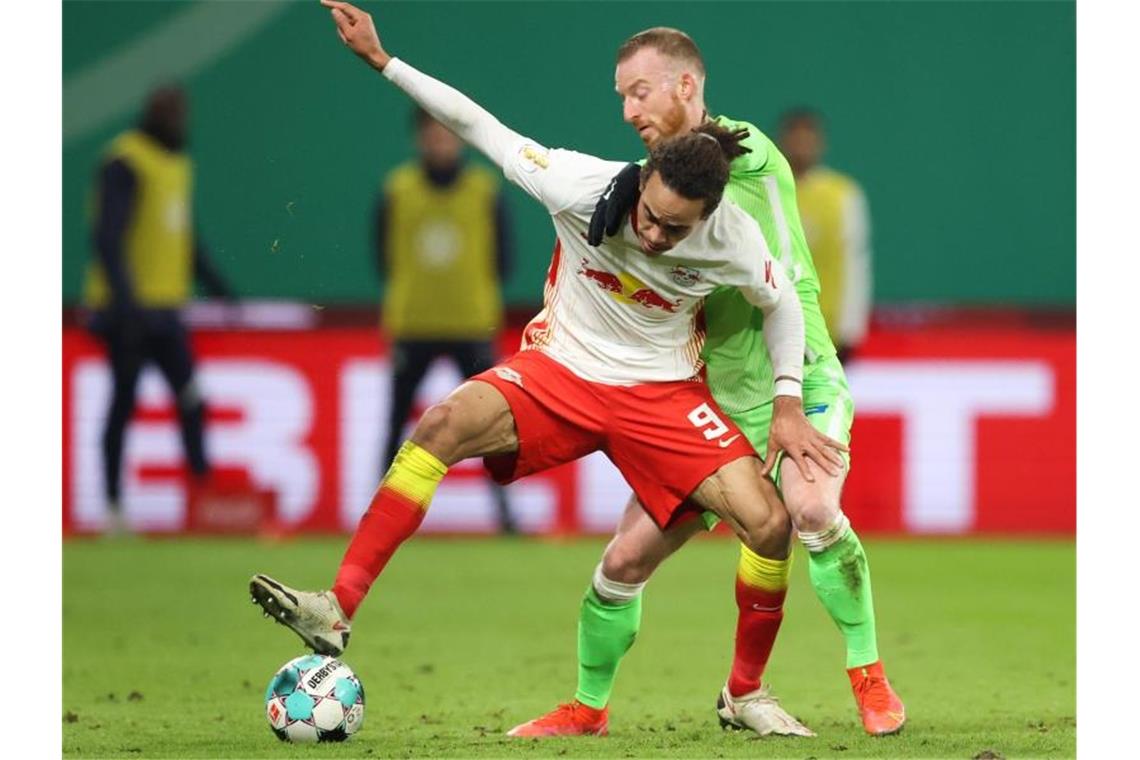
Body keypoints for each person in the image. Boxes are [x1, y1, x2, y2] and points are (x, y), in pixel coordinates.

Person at [249, 2, 846, 726]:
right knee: (440, 424)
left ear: (711, 214)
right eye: (650, 217)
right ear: (645, 178)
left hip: (662, 395)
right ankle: (337, 606)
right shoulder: (578, 184)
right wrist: (384, 61)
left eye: (675, 229)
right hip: (561, 372)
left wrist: (787, 401)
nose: (656, 236)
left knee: (770, 524)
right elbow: (479, 126)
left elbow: (781, 304)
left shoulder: (731, 236)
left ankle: (745, 694)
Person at [509, 29, 904, 738]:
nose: (630, 109)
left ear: (685, 87)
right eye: (622, 97)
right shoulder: (647, 188)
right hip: (709, 398)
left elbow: (751, 257)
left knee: (810, 512)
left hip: (797, 374)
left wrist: (636, 192)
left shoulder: (746, 152)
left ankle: (867, 678)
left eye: (640, 91)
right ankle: (587, 709)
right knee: (624, 559)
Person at [82, 84, 232, 534]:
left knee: (191, 400)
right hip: (126, 313)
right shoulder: (124, 160)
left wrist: (219, 288)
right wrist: (127, 306)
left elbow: (184, 239)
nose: (177, 122)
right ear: (152, 116)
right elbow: (107, 239)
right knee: (124, 403)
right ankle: (112, 508)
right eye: (170, 114)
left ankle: (203, 503)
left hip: (165, 311)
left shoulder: (176, 164)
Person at [376, 106, 517, 534]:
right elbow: (383, 255)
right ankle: (376, 517)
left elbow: (504, 258)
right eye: (432, 135)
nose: (441, 142)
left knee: (493, 426)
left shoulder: (484, 190)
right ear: (419, 138)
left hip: (471, 325)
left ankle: (506, 517)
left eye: (447, 134)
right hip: (413, 325)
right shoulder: (397, 190)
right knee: (395, 423)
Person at [779, 108, 872, 362]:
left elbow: (855, 261)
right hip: (774, 329)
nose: (801, 146)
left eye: (808, 139)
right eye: (795, 138)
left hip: (827, 330)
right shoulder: (769, 189)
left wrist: (851, 326)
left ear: (820, 143)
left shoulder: (843, 194)